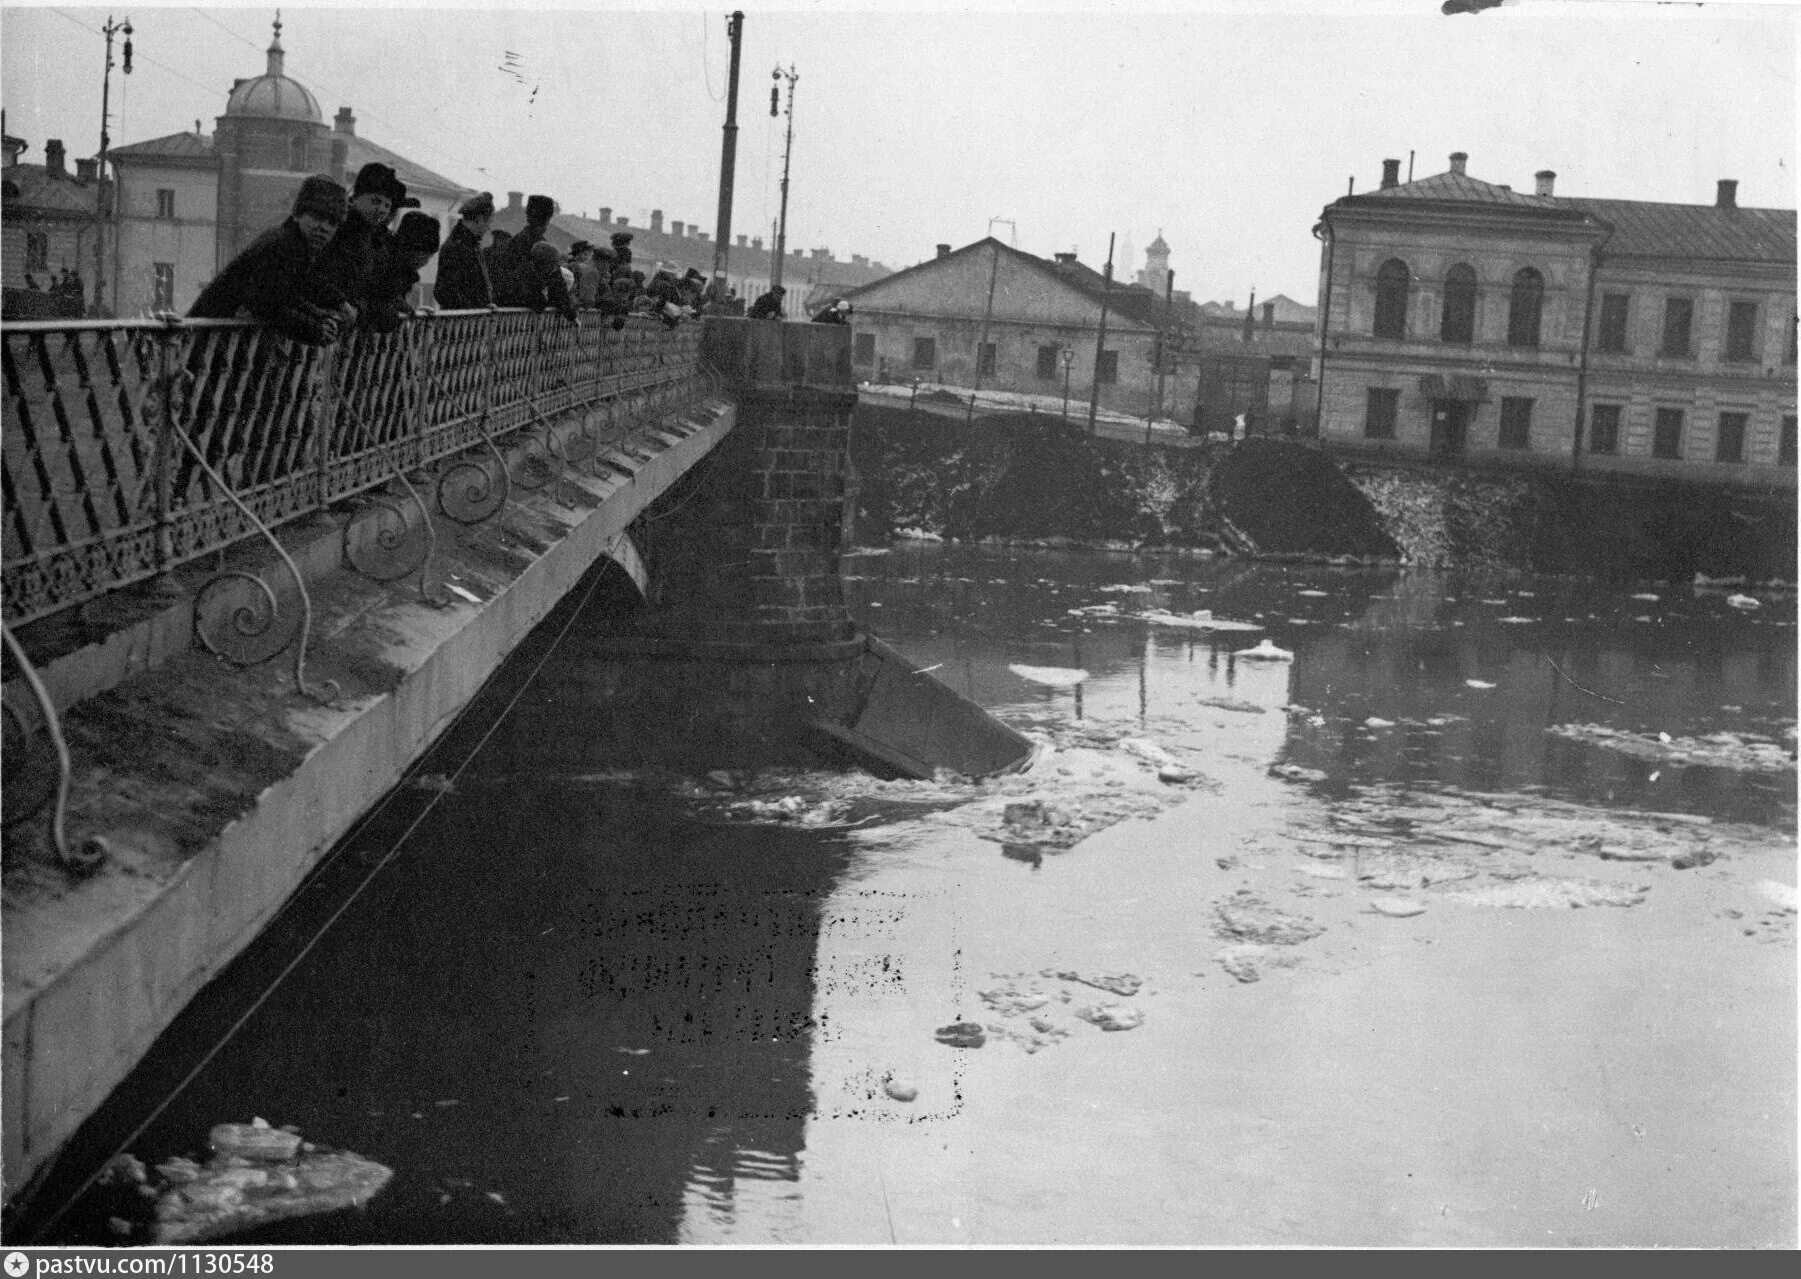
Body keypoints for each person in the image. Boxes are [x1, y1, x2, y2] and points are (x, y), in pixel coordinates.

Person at [181, 174, 355, 491]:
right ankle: (188, 499)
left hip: (222, 349)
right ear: (298, 213)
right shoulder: (282, 245)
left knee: (217, 425)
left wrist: (320, 314)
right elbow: (267, 302)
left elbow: (288, 293)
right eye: (316, 217)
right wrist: (315, 328)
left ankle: (199, 496)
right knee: (207, 424)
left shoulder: (293, 245)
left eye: (332, 222)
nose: (323, 228)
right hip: (211, 347)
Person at [316, 162, 404, 326]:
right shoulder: (337, 229)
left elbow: (380, 289)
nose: (382, 210)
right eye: (375, 201)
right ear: (356, 198)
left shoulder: (378, 241)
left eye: (387, 205)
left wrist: (396, 304)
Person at [433, 191, 496, 309]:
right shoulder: (455, 248)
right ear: (479, 219)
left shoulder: (469, 245)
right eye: (488, 221)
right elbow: (444, 292)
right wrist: (477, 309)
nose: (489, 227)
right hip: (459, 324)